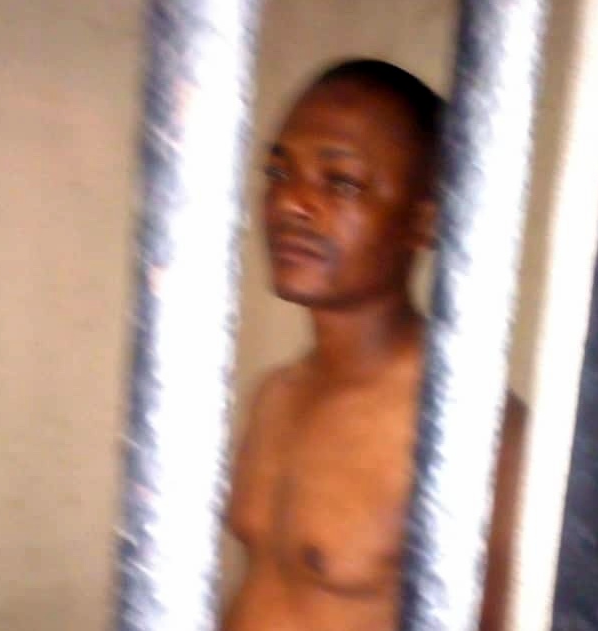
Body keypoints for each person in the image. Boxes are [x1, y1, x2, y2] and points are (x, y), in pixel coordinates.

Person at [222, 58, 525, 631]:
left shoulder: (466, 427)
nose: (289, 203)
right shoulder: (277, 396)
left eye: (340, 182)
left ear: (424, 222)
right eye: (279, 172)